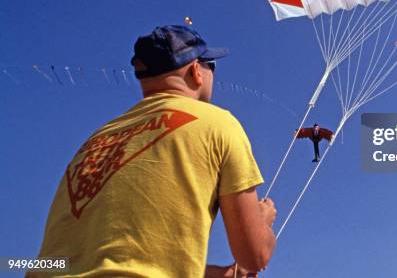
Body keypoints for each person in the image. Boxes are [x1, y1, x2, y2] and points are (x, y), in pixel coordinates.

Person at [29, 25, 276, 278]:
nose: (212, 71)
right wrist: (262, 221)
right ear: (195, 72)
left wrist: (222, 274)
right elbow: (254, 255)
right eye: (210, 64)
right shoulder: (218, 123)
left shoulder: (95, 140)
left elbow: (107, 264)